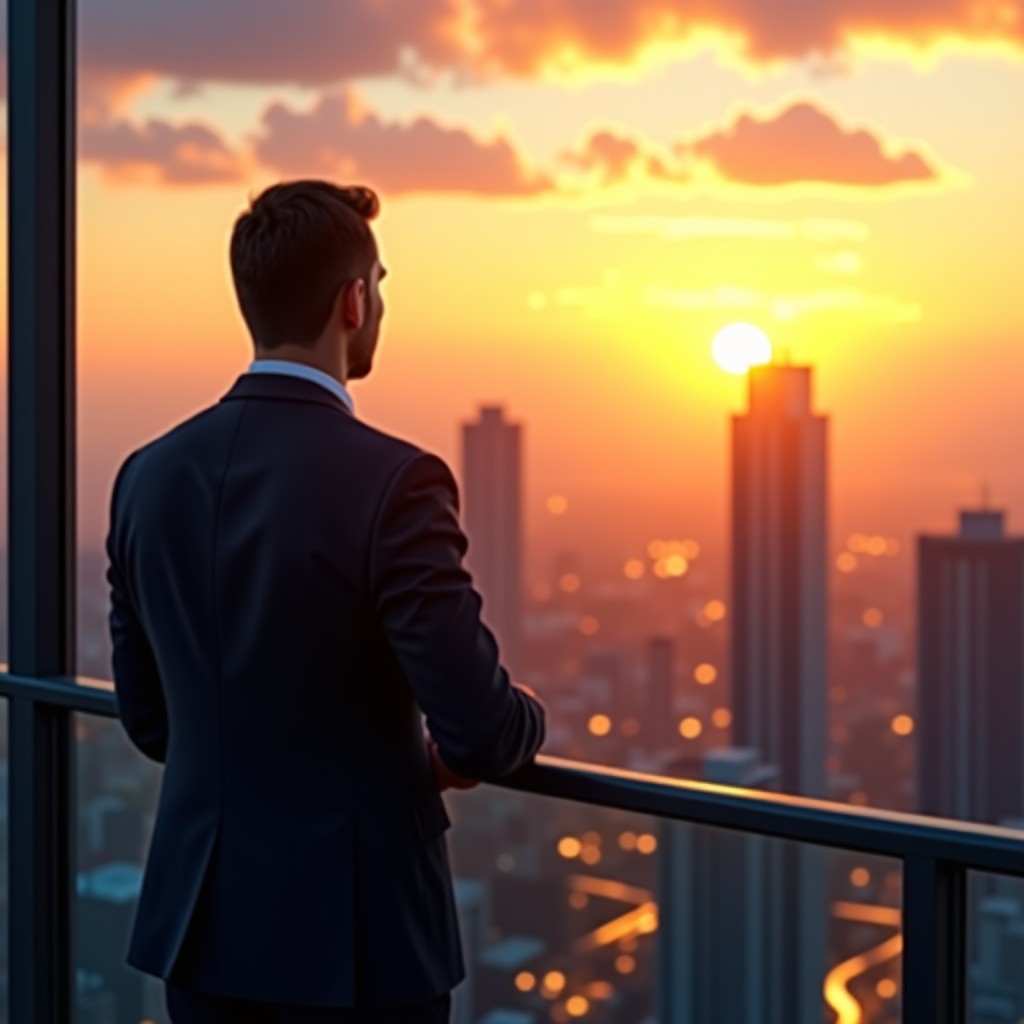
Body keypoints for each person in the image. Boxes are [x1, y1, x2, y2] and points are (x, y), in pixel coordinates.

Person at [106, 180, 546, 1024]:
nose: (378, 302)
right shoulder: (397, 482)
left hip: (203, 934)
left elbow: (152, 722)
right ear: (354, 299)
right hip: (360, 946)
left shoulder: (146, 476)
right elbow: (485, 732)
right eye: (379, 284)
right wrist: (527, 716)